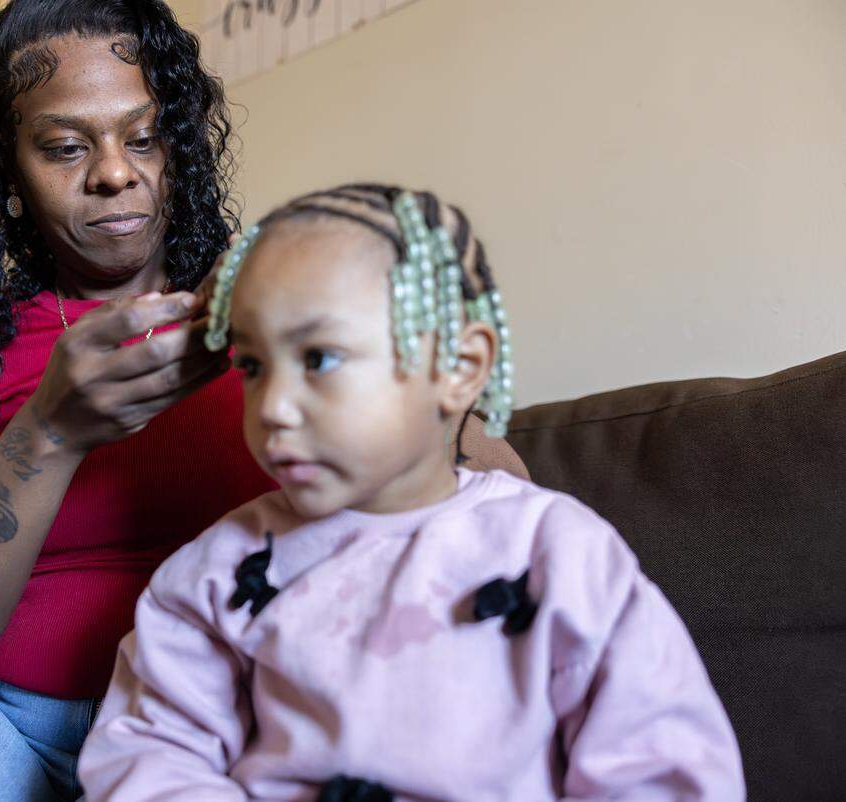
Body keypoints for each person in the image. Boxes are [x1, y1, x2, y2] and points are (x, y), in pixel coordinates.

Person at [0, 4, 525, 801]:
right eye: (64, 146)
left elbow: (508, 499)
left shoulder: (270, 301)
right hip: (10, 722)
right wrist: (51, 431)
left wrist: (318, 330)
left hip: (233, 717)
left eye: (145, 136)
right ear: (7, 162)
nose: (115, 173)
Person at [77, 184, 745, 801]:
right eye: (252, 366)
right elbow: (151, 756)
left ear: (457, 367)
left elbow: (660, 765)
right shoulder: (214, 575)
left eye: (319, 359)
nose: (273, 406)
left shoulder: (559, 554)